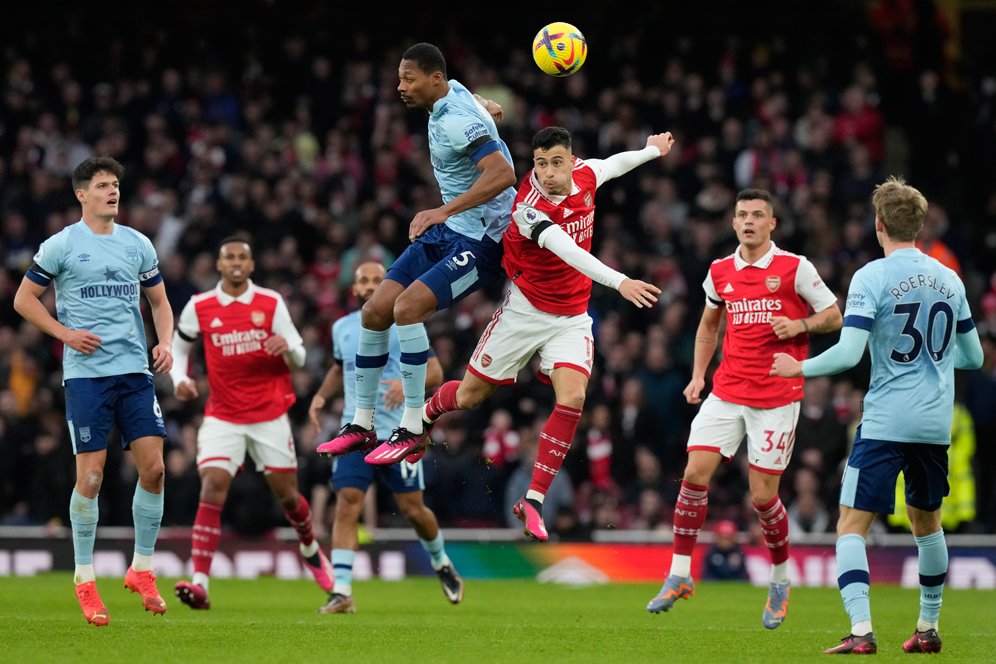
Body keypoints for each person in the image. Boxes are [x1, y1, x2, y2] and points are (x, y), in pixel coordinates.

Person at [370, 126, 670, 543]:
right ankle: (423, 417)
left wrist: (649, 151)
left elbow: (611, 165)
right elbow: (568, 250)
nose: (548, 173)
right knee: (471, 396)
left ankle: (533, 500)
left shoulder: (584, 175)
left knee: (574, 398)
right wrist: (620, 282)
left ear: (570, 160)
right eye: (541, 164)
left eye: (556, 163)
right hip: (524, 312)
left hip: (571, 317)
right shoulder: (529, 208)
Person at [771, 176, 984, 654]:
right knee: (927, 524)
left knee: (851, 524)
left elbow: (849, 353)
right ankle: (927, 628)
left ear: (879, 225)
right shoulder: (950, 279)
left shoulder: (872, 276)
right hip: (934, 423)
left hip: (887, 420)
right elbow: (974, 358)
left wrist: (797, 366)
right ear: (920, 225)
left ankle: (862, 631)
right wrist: (935, 360)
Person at [646, 188, 842, 630]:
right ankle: (678, 574)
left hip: (775, 399)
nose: (749, 221)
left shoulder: (796, 268)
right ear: (733, 223)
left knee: (762, 497)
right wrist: (698, 376)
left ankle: (779, 581)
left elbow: (834, 316)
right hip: (727, 390)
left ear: (772, 223)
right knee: (695, 473)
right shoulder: (719, 272)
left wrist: (801, 324)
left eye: (757, 215)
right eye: (742, 215)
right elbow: (707, 328)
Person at [317, 42, 517, 460]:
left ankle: (411, 426)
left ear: (434, 79)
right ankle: (363, 423)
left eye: (409, 79)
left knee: (407, 309)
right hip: (450, 229)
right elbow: (471, 99)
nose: (400, 86)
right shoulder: (455, 96)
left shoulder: (456, 120)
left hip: (482, 241)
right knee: (374, 311)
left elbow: (502, 174)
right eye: (399, 77)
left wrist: (441, 210)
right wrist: (488, 107)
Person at [13, 156, 175, 626]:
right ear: (81, 194)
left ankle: (142, 570)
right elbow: (23, 299)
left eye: (116, 184)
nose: (113, 191)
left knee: (156, 469)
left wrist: (164, 341)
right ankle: (85, 580)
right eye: (103, 185)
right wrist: (64, 334)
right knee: (91, 479)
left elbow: (160, 302)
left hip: (134, 373)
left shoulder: (137, 244)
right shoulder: (62, 244)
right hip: (86, 377)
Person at [169, 236, 334, 610]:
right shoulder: (200, 306)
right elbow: (179, 346)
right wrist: (180, 378)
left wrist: (287, 348)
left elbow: (300, 356)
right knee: (211, 486)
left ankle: (310, 549)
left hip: (269, 414)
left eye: (243, 256)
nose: (237, 262)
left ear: (252, 264)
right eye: (230, 257)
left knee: (288, 496)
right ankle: (200, 583)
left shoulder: (270, 302)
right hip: (223, 415)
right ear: (219, 264)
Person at [307, 262, 463, 613]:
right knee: (347, 502)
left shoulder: (407, 323)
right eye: (364, 280)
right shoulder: (342, 328)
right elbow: (339, 367)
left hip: (398, 433)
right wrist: (319, 397)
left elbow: (435, 371)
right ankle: (342, 591)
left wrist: (402, 384)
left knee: (414, 510)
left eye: (379, 279)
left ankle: (441, 563)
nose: (371, 285)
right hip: (356, 431)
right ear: (354, 288)